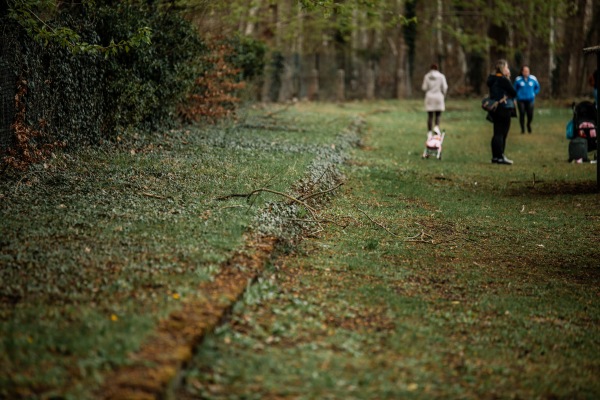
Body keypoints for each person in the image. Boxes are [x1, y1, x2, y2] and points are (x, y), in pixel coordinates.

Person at [487, 59, 517, 164]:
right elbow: (513, 93)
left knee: (496, 133)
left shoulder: (492, 79)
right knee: (502, 133)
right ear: (503, 68)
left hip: (495, 108)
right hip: (504, 108)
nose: (508, 69)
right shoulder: (503, 80)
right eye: (507, 67)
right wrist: (508, 78)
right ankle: (500, 156)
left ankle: (495, 156)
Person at [421, 63, 448, 134]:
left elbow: (424, 87)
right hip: (439, 96)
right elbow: (445, 87)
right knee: (438, 114)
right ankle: (436, 127)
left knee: (430, 115)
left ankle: (429, 131)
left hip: (429, 97)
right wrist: (443, 94)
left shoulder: (427, 76)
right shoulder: (441, 76)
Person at [514, 65, 540, 133]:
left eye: (527, 71)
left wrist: (534, 93)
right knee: (522, 113)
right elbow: (514, 89)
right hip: (521, 100)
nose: (526, 73)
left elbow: (537, 87)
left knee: (530, 114)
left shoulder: (533, 78)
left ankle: (528, 124)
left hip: (530, 100)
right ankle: (522, 129)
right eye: (525, 71)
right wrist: (515, 98)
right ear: (522, 72)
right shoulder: (518, 79)